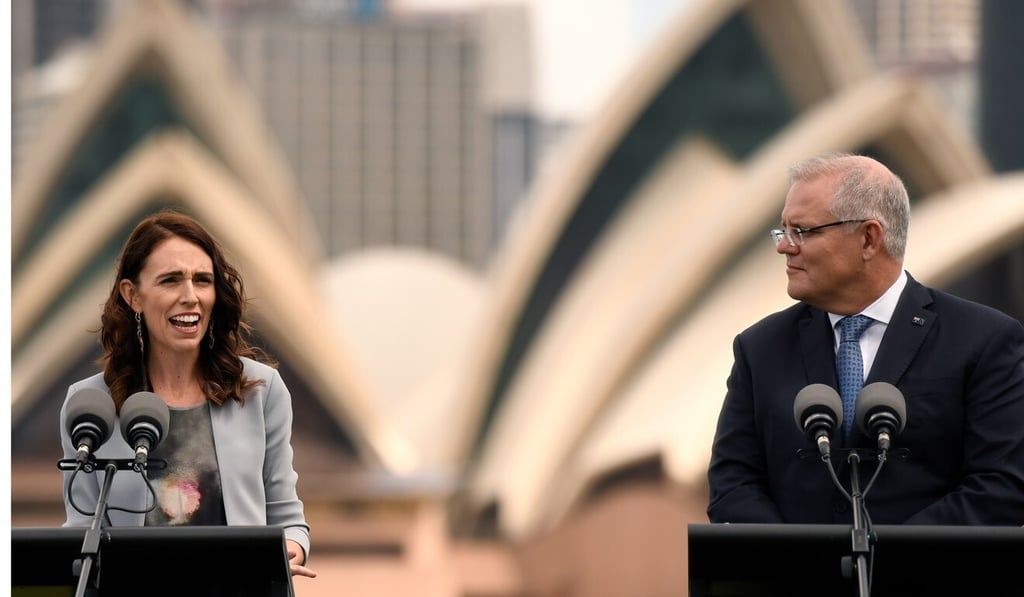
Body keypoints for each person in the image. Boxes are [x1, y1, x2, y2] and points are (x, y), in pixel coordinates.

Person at [706, 152, 1024, 525]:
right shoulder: (760, 348)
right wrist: (795, 555)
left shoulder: (983, 340)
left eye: (803, 231)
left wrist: (885, 554)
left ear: (869, 239)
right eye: (784, 230)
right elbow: (733, 485)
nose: (784, 246)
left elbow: (1001, 486)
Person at [59, 208, 317, 578]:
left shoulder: (262, 390)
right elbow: (81, 527)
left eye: (203, 280)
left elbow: (287, 517)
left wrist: (288, 552)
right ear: (132, 295)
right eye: (171, 280)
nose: (191, 296)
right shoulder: (89, 405)